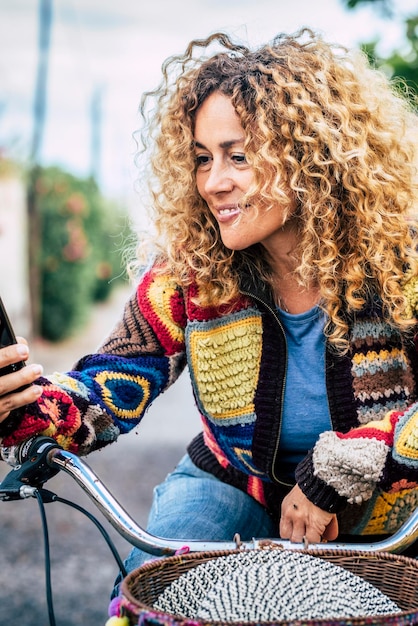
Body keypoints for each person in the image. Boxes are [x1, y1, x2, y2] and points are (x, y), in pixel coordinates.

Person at [0, 27, 418, 589]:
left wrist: (339, 470)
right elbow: (115, 379)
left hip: (386, 504)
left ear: (310, 155)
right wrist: (30, 409)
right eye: (201, 159)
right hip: (230, 484)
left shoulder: (402, 263)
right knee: (158, 595)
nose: (213, 182)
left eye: (238, 156)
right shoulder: (192, 272)